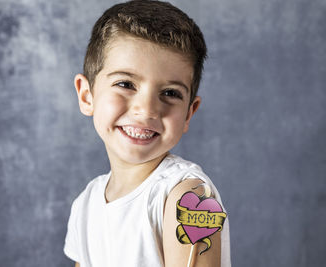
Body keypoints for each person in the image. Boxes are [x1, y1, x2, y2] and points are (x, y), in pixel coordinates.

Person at [64, 1, 231, 266]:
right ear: (87, 96)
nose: (147, 110)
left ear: (189, 112)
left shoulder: (188, 196)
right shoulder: (86, 204)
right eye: (125, 84)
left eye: (170, 93)